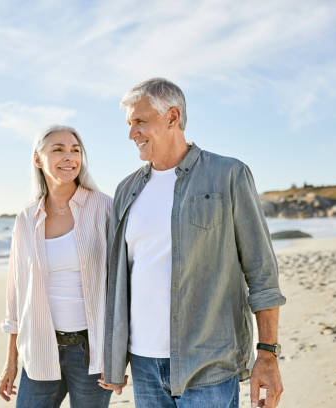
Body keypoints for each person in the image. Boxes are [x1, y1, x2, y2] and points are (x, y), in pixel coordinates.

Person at [98, 78, 286, 408]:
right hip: (144, 365)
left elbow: (262, 272)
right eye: (130, 125)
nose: (132, 134)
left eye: (140, 122)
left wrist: (267, 354)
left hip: (209, 364)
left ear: (172, 117)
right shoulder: (126, 190)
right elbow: (117, 281)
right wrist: (113, 360)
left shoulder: (228, 174)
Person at [0, 125, 113, 407]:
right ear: (38, 159)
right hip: (39, 348)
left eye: (75, 150)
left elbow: (124, 284)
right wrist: (11, 360)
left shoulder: (104, 208)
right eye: (58, 150)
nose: (69, 157)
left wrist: (117, 353)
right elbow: (16, 295)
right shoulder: (26, 218)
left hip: (92, 353)